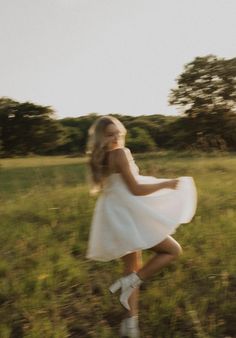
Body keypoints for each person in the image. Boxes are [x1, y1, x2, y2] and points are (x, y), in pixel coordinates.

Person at [86, 115, 197, 338]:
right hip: (131, 213)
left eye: (118, 132)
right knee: (173, 250)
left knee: (131, 267)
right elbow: (135, 189)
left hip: (114, 214)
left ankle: (130, 326)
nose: (116, 137)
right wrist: (167, 183)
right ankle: (132, 282)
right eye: (110, 134)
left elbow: (121, 186)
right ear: (102, 137)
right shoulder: (120, 153)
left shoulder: (99, 157)